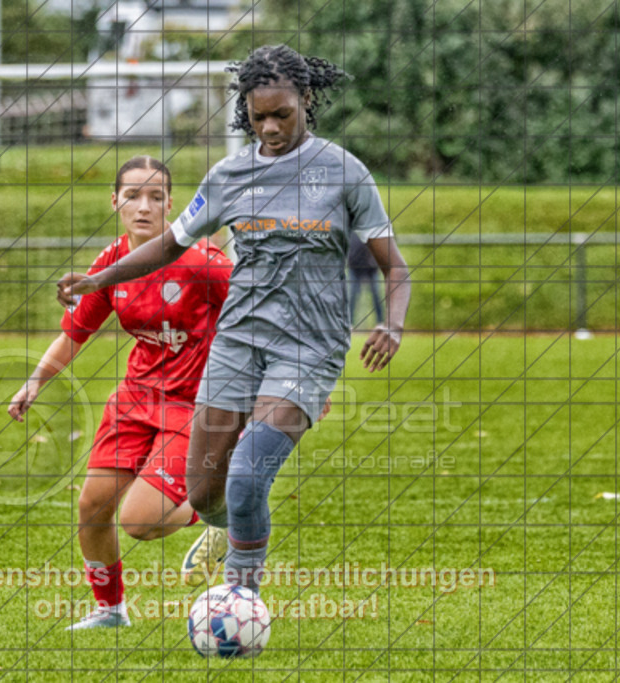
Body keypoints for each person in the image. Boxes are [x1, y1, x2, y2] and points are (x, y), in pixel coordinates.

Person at [59, 45, 412, 595]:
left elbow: (396, 267)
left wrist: (391, 324)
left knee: (247, 475)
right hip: (236, 345)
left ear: (306, 100)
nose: (269, 128)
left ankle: (240, 596)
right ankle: (226, 532)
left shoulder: (344, 172)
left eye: (281, 115)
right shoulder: (228, 176)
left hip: (309, 348)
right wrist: (99, 279)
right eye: (258, 116)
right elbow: (170, 244)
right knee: (205, 494)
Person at [8, 156, 232, 629]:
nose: (143, 206)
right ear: (115, 202)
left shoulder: (204, 264)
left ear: (171, 205)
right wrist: (35, 381)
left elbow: (262, 312)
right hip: (135, 400)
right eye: (132, 195)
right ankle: (110, 610)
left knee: (140, 521)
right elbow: (75, 333)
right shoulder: (111, 264)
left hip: (194, 406)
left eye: (155, 196)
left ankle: (217, 514)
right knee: (92, 505)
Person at [348, 231, 384, 327]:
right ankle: (349, 323)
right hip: (355, 267)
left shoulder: (374, 229)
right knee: (352, 295)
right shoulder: (352, 230)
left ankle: (380, 323)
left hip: (372, 268)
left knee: (377, 295)